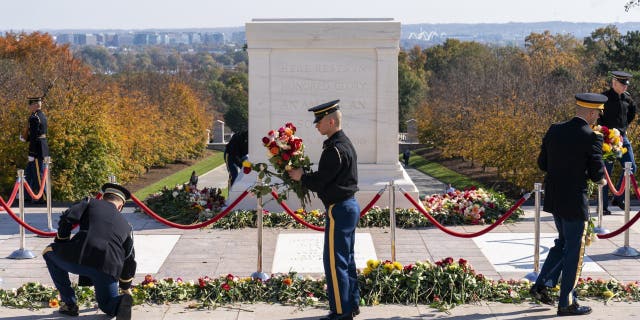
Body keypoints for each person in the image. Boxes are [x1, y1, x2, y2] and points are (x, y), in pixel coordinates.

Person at [531, 93, 607, 316]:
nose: (598, 119)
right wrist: (601, 178)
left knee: (563, 243)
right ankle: (566, 302)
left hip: (554, 198)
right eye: (598, 115)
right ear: (592, 112)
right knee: (575, 249)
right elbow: (596, 173)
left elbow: (542, 163)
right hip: (575, 200)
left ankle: (542, 284)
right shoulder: (591, 137)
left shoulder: (554, 129)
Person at [288, 100, 360, 320]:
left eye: (319, 121)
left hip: (339, 208)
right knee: (347, 259)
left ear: (330, 121)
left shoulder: (334, 150)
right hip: (348, 206)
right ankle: (351, 304)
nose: (316, 125)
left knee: (335, 261)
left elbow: (322, 181)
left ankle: (340, 311)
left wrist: (301, 177)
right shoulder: (343, 144)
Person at [42, 183, 136, 319]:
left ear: (103, 198)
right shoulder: (127, 226)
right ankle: (119, 302)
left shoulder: (90, 202)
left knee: (49, 252)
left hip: (81, 257)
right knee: (107, 305)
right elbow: (129, 259)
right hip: (108, 268)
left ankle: (69, 304)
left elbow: (67, 218)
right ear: (120, 207)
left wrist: (62, 243)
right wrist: (125, 287)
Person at [599, 71, 637, 215]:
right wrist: (604, 133)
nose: (625, 87)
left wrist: (624, 128)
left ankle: (618, 197)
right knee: (606, 172)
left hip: (622, 137)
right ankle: (603, 206)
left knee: (631, 166)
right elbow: (598, 116)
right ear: (614, 83)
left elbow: (632, 113)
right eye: (622, 84)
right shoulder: (604, 97)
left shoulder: (627, 98)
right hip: (607, 138)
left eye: (626, 84)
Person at [21, 96, 49, 203]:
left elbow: (33, 136)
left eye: (31, 105)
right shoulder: (41, 115)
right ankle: (27, 196)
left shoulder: (34, 117)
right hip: (41, 146)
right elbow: (38, 133)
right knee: (29, 173)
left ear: (35, 105)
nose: (29, 107)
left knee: (38, 174)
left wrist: (32, 153)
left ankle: (43, 197)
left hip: (37, 149)